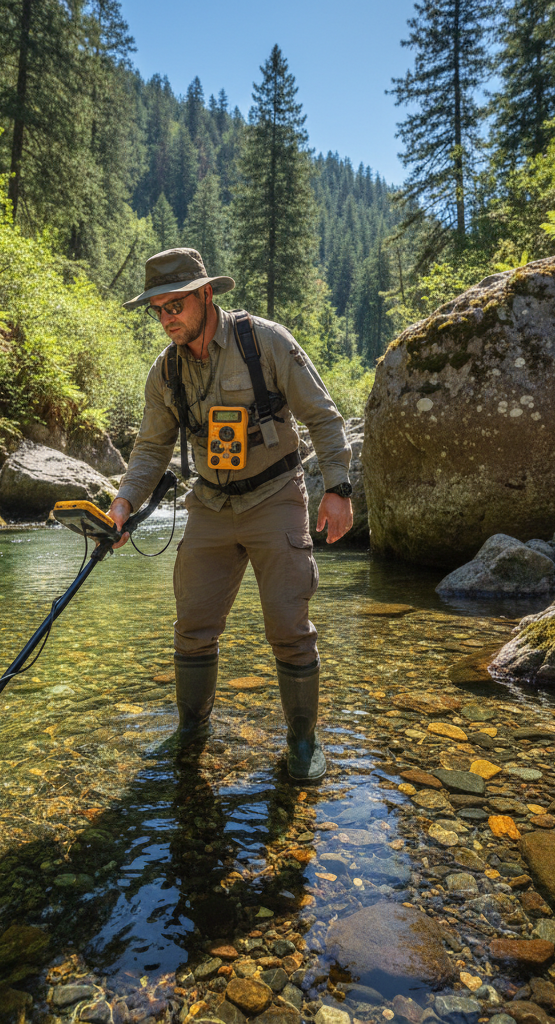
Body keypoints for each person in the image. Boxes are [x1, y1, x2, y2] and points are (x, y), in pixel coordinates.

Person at [109, 248, 353, 782]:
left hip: (275, 497)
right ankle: (192, 731)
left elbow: (323, 416)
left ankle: (303, 743)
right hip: (210, 504)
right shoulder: (164, 372)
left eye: (177, 304)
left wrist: (337, 488)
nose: (169, 316)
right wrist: (125, 502)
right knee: (192, 627)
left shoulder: (265, 341)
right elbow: (151, 450)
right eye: (159, 308)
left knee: (289, 627)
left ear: (206, 295)